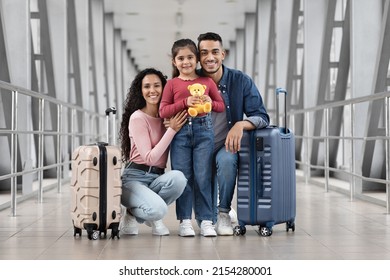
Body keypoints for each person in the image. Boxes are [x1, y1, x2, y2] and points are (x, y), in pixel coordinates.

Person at [197, 32, 270, 236]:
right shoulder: (190, 81)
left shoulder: (240, 80)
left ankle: (223, 213)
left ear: (223, 54)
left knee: (228, 161)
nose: (209, 57)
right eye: (204, 53)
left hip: (223, 145)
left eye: (214, 52)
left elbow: (262, 116)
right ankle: (206, 215)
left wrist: (241, 124)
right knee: (203, 211)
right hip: (198, 145)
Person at [159, 38, 225, 237]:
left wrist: (209, 102)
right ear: (174, 61)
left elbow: (220, 106)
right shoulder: (171, 84)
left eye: (190, 57)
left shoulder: (206, 82)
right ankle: (185, 221)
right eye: (181, 58)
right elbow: (163, 111)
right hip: (180, 135)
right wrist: (185, 102)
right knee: (184, 178)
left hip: (204, 132)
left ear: (196, 59)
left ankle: (206, 220)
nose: (185, 62)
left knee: (204, 177)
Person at [119, 68, 188, 236]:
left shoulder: (168, 118)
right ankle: (137, 213)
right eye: (147, 86)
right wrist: (172, 130)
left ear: (164, 89)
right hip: (133, 178)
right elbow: (149, 158)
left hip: (156, 178)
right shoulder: (137, 118)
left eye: (157, 86)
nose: (152, 91)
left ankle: (139, 211)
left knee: (179, 178)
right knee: (159, 210)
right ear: (140, 91)